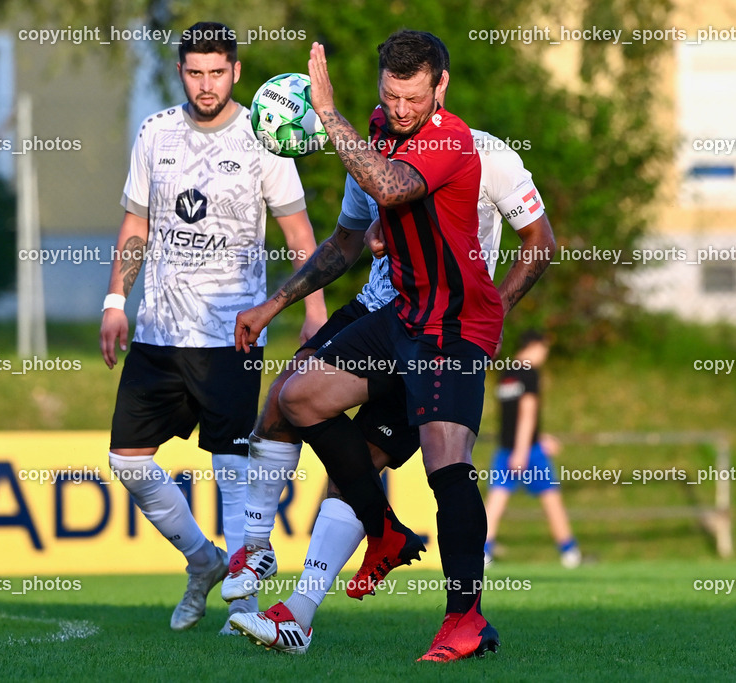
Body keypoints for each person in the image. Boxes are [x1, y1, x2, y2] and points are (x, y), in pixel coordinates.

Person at [227, 33, 556, 656]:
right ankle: (375, 538)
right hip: (400, 315)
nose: (401, 108)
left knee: (445, 464)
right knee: (296, 399)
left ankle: (464, 619)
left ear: (440, 88)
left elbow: (395, 187)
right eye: (390, 93)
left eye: (413, 95)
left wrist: (496, 310)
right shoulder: (378, 132)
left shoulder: (457, 142)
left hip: (452, 327)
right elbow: (349, 238)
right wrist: (275, 302)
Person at [99, 21, 326, 635]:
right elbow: (136, 225)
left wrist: (312, 309)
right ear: (181, 72)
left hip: (233, 330)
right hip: (158, 330)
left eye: (217, 72)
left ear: (236, 72)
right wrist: (116, 299)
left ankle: (244, 607)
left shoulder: (265, 136)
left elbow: (301, 237)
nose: (206, 84)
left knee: (231, 465)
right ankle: (205, 562)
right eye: (195, 72)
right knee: (127, 460)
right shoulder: (155, 133)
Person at [484, 331, 581, 568]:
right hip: (527, 450)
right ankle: (570, 553)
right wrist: (523, 449)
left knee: (495, 502)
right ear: (534, 347)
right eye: (544, 349)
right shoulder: (529, 372)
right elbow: (527, 414)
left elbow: (510, 417)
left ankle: (482, 553)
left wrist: (537, 436)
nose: (544, 355)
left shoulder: (506, 373)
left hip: (506, 447)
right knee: (551, 499)